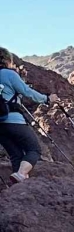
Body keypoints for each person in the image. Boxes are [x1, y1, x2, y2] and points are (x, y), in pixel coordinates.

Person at [0, 49, 48, 184]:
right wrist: (47, 99)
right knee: (34, 150)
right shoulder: (9, 74)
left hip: (0, 127)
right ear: (7, 60)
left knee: (16, 155)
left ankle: (18, 185)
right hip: (14, 121)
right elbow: (27, 92)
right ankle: (21, 174)